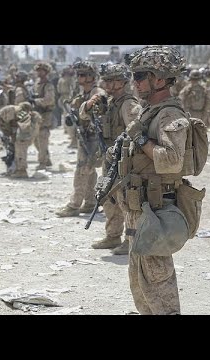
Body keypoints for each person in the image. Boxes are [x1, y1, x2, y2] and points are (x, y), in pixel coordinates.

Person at [122, 45, 192, 314]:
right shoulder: (149, 111)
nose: (135, 82)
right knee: (139, 279)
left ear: (160, 79)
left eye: (140, 76)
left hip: (156, 208)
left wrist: (140, 139)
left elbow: (172, 160)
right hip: (138, 207)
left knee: (157, 278)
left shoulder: (169, 114)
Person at [90, 63, 142, 255]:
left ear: (124, 81)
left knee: (127, 202)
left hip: (123, 161)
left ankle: (131, 240)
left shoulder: (128, 104)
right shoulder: (111, 102)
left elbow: (136, 133)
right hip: (110, 158)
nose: (110, 85)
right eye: (107, 80)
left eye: (115, 80)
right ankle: (112, 236)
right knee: (109, 198)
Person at [56, 61, 106, 217]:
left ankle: (74, 204)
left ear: (92, 76)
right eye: (78, 74)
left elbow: (101, 116)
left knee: (82, 170)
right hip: (85, 135)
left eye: (83, 74)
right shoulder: (83, 92)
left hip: (94, 137)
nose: (79, 77)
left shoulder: (97, 93)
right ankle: (90, 202)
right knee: (89, 171)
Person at [30, 62, 55, 170]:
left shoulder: (48, 85)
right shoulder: (37, 83)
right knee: (35, 139)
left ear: (46, 72)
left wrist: (36, 101)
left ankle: (42, 162)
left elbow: (49, 100)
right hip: (36, 114)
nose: (39, 72)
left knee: (42, 137)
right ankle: (46, 158)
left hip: (45, 114)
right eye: (38, 70)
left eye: (42, 70)